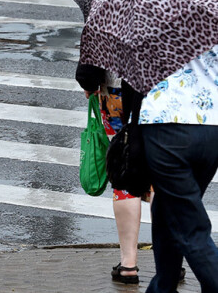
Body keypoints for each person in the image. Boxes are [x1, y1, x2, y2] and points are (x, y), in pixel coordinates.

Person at [138, 45, 218, 292]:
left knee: (189, 226)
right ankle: (162, 286)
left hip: (166, 124)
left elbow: (134, 77)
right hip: (211, 123)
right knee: (167, 210)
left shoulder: (150, 16)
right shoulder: (211, 12)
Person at [76, 64, 150, 284]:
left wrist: (89, 82)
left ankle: (128, 264)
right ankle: (170, 262)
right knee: (160, 175)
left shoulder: (112, 26)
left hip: (116, 91)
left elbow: (93, 47)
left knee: (123, 168)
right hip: (160, 90)